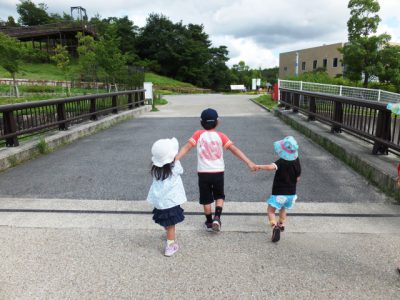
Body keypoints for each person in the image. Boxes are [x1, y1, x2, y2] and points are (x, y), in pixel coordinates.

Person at [176, 108, 256, 232]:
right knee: (219, 195)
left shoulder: (198, 134)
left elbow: (186, 147)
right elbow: (234, 150)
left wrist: (175, 159)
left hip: (203, 173)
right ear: (217, 122)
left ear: (201, 122)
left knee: (206, 198)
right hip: (218, 172)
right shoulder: (221, 136)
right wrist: (249, 162)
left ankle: (208, 222)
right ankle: (217, 218)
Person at [256, 136, 301, 242]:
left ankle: (274, 226)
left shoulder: (281, 162)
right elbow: (298, 178)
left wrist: (259, 166)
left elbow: (270, 167)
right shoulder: (297, 161)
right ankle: (281, 224)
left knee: (271, 210)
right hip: (291, 194)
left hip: (279, 192)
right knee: (283, 208)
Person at [147, 137, 187, 257]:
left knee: (166, 219)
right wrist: (176, 161)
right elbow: (181, 170)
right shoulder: (174, 168)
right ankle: (170, 246)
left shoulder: (156, 169)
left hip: (160, 201)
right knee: (171, 225)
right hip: (170, 201)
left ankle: (168, 233)